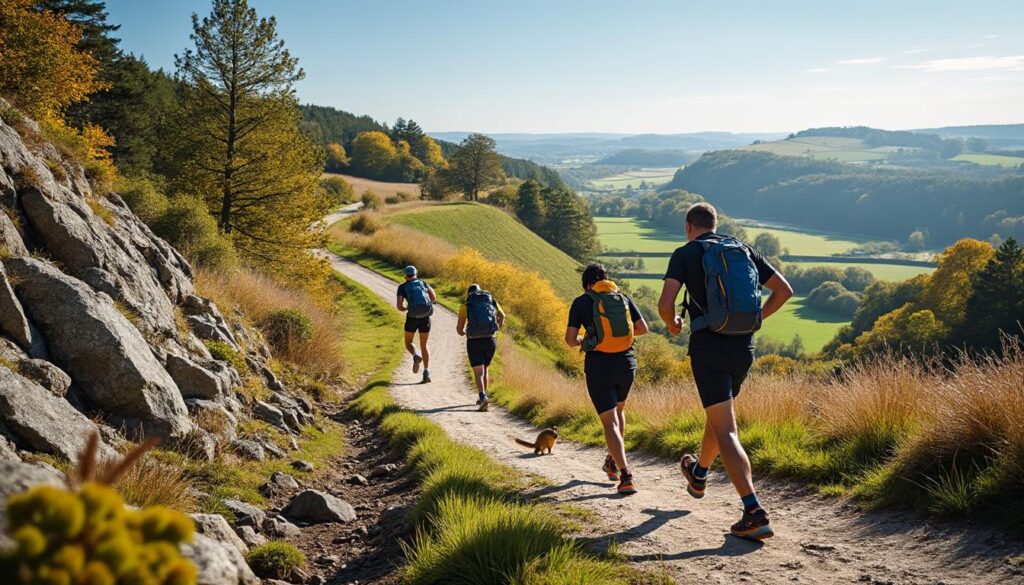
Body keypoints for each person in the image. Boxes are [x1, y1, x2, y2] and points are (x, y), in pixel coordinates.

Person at [657, 202, 793, 540]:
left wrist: (672, 323)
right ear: (714, 225)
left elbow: (665, 303)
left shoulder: (685, 253)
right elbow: (784, 290)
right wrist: (757, 318)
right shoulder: (742, 249)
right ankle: (699, 473)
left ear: (689, 226)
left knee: (727, 429)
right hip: (743, 348)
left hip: (709, 347)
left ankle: (753, 510)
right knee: (719, 416)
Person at [565, 263, 649, 495]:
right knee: (619, 413)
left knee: (609, 420)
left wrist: (588, 339)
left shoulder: (582, 302)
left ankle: (626, 475)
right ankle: (612, 462)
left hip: (599, 366)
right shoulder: (622, 298)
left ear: (588, 285)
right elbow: (642, 328)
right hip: (626, 364)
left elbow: (570, 340)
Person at [456, 284, 506, 412]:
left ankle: (482, 396)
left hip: (474, 342)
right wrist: (497, 327)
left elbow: (459, 329)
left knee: (478, 372)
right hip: (490, 340)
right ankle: (484, 394)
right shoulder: (490, 300)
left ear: (469, 294)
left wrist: (463, 332)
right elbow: (503, 316)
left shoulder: (466, 304)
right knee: (485, 368)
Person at [396, 265, 437, 383]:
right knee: (424, 345)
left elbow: (399, 306)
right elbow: (433, 298)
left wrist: (406, 308)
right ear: (415, 274)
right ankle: (426, 372)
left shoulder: (402, 287)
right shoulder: (423, 283)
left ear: (405, 275)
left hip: (412, 318)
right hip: (425, 318)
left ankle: (415, 355)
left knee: (408, 342)